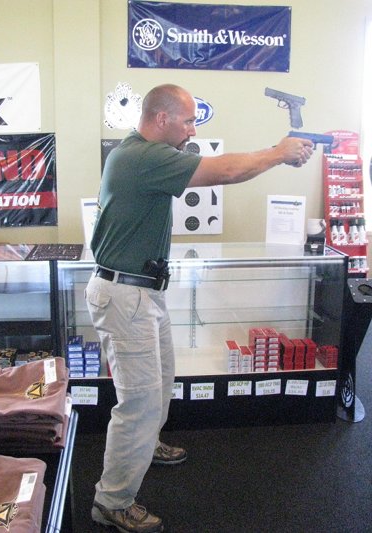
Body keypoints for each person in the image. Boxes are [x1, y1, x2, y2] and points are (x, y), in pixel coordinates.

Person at [85, 83, 313, 533]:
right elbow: (226, 172)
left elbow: (227, 170)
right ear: (162, 119)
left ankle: (145, 444)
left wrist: (275, 152)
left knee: (161, 383)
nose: (193, 129)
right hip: (126, 295)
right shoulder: (142, 157)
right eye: (188, 120)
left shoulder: (142, 154)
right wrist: (279, 151)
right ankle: (111, 501)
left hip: (142, 292)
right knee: (139, 403)